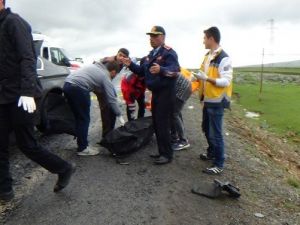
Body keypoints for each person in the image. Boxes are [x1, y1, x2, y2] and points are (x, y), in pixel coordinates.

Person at [0, 1, 75, 201]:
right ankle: (5, 190)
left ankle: (64, 168)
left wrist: (27, 91)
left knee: (27, 144)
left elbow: (27, 58)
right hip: (3, 96)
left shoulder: (14, 23)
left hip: (20, 97)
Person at [123, 26, 180, 165]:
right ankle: (162, 151)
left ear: (163, 37)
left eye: (155, 36)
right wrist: (130, 64)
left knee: (163, 124)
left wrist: (162, 70)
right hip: (156, 94)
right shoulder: (150, 56)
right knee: (157, 123)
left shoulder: (169, 53)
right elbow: (142, 71)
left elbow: (176, 72)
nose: (152, 39)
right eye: (150, 36)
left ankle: (167, 155)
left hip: (166, 93)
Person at [63, 60, 125, 156]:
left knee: (78, 117)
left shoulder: (95, 67)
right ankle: (83, 148)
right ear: (113, 72)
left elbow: (98, 87)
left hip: (67, 85)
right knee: (84, 119)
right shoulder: (105, 76)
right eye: (115, 75)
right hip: (79, 89)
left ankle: (81, 143)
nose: (113, 77)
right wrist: (119, 115)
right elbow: (111, 99)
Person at [193, 26, 233, 175]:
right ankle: (211, 152)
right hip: (207, 100)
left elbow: (226, 81)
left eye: (204, 38)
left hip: (217, 102)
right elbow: (201, 72)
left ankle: (219, 163)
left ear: (211, 39)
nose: (203, 41)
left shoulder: (224, 58)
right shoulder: (207, 56)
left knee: (216, 133)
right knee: (206, 129)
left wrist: (207, 79)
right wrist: (195, 77)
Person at [97, 48, 129, 138]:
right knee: (106, 109)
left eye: (124, 56)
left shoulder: (122, 64)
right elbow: (103, 74)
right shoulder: (110, 61)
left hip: (109, 86)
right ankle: (106, 135)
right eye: (120, 55)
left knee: (113, 109)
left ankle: (111, 131)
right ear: (117, 54)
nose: (121, 57)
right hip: (100, 87)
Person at [171, 68, 192, 151]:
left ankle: (183, 141)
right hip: (184, 86)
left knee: (174, 114)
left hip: (182, 89)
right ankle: (175, 136)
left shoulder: (158, 69)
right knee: (176, 112)